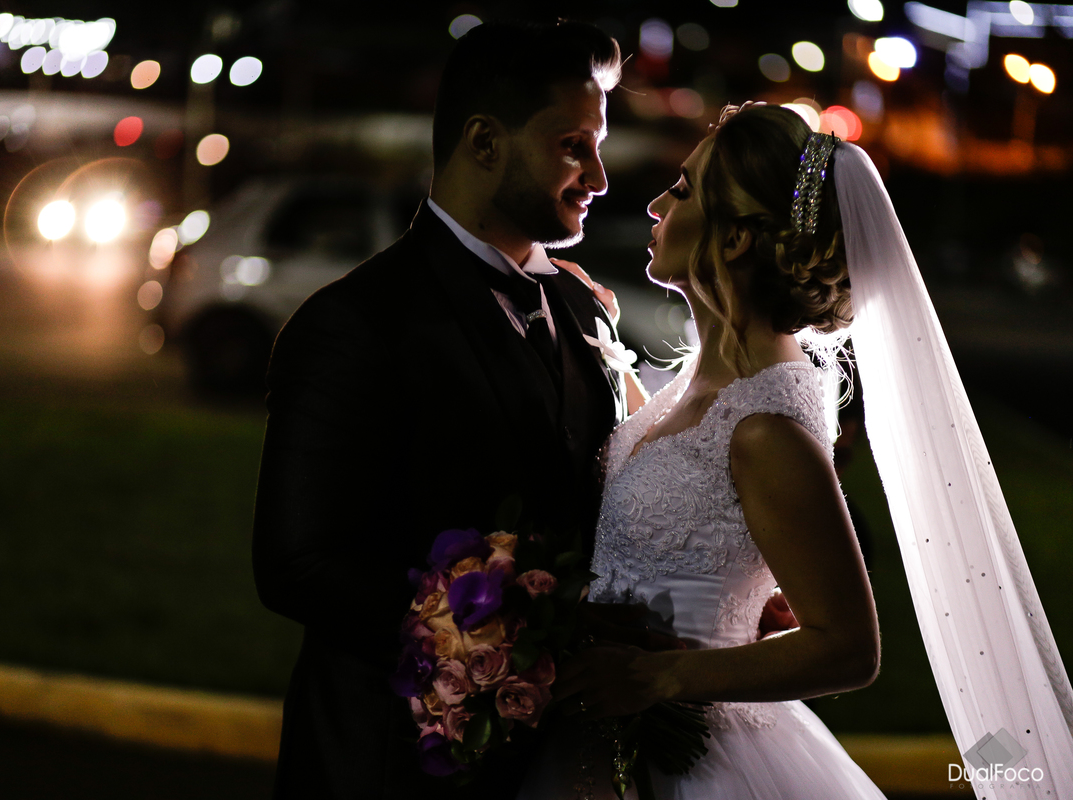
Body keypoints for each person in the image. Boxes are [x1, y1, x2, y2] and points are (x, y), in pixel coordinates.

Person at [520, 101, 1073, 798]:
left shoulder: (764, 425)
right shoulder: (709, 382)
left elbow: (849, 647)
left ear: (736, 238)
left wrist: (659, 676)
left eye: (683, 190)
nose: (657, 205)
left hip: (691, 760)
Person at [252, 20, 633, 799]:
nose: (598, 177)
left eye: (597, 147)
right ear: (484, 142)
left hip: (563, 763)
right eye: (573, 146)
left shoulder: (583, 307)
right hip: (387, 764)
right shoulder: (354, 323)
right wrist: (496, 633)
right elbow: (296, 565)